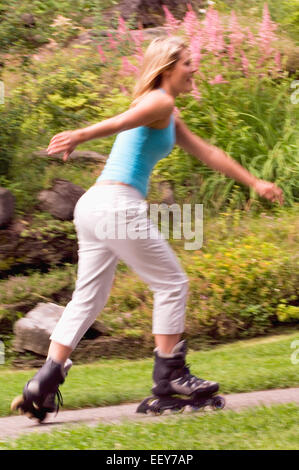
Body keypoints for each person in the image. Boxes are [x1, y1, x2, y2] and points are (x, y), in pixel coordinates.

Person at [11, 36, 283, 420]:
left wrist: (254, 182)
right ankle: (169, 377)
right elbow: (121, 122)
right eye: (188, 62)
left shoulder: (166, 113)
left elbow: (209, 152)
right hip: (116, 206)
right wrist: (81, 134)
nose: (195, 68)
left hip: (93, 206)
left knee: (87, 299)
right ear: (168, 68)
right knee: (172, 284)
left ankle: (44, 382)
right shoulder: (160, 100)